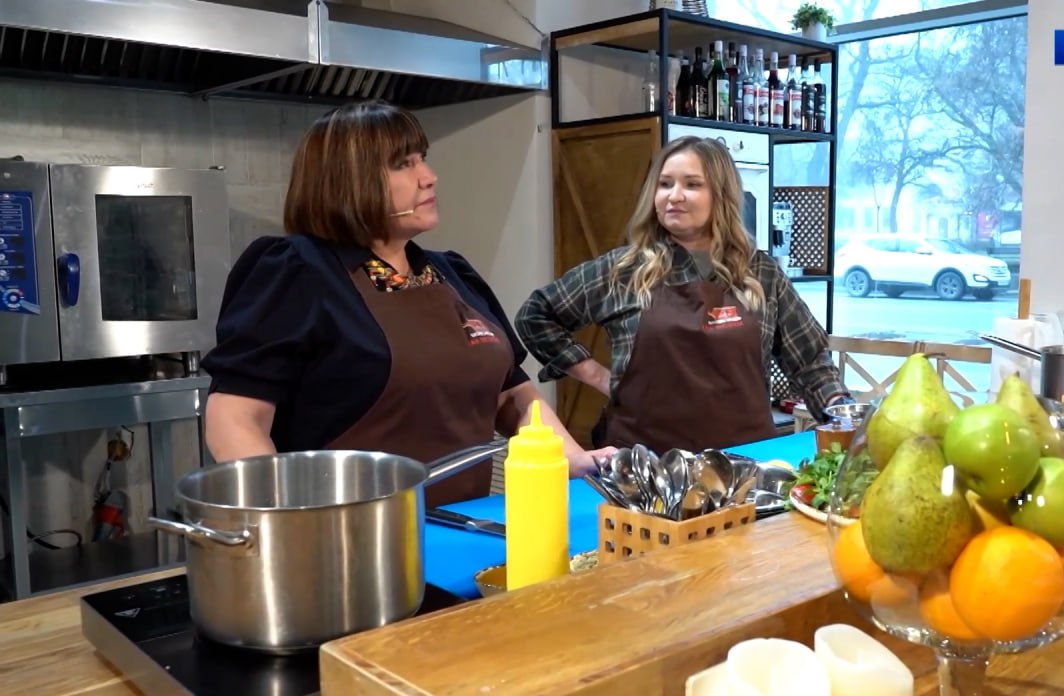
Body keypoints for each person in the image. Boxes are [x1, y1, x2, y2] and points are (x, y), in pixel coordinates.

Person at [200, 100, 612, 505]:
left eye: (422, 159)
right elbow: (234, 420)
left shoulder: (453, 273)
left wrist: (575, 459)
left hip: (461, 527)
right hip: (349, 535)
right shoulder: (296, 272)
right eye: (403, 164)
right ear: (347, 181)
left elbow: (512, 394)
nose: (429, 177)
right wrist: (285, 519)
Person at [515, 135, 853, 455]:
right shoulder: (623, 270)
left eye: (692, 184)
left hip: (745, 462)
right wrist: (595, 374)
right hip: (645, 468)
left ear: (721, 194)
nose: (674, 196)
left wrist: (845, 418)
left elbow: (810, 361)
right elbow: (535, 315)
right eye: (665, 184)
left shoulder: (761, 274)